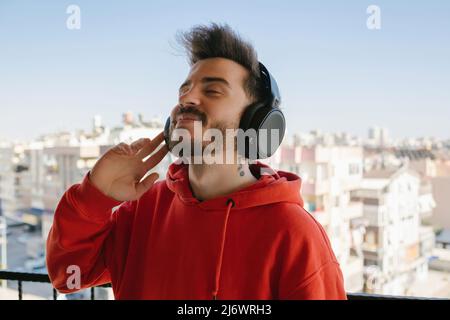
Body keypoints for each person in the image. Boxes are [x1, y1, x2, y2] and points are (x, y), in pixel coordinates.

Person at [46, 23, 346, 300]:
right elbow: (67, 277)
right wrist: (95, 195)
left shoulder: (294, 234)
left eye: (212, 90)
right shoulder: (142, 210)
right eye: (184, 90)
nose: (187, 99)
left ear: (258, 123)